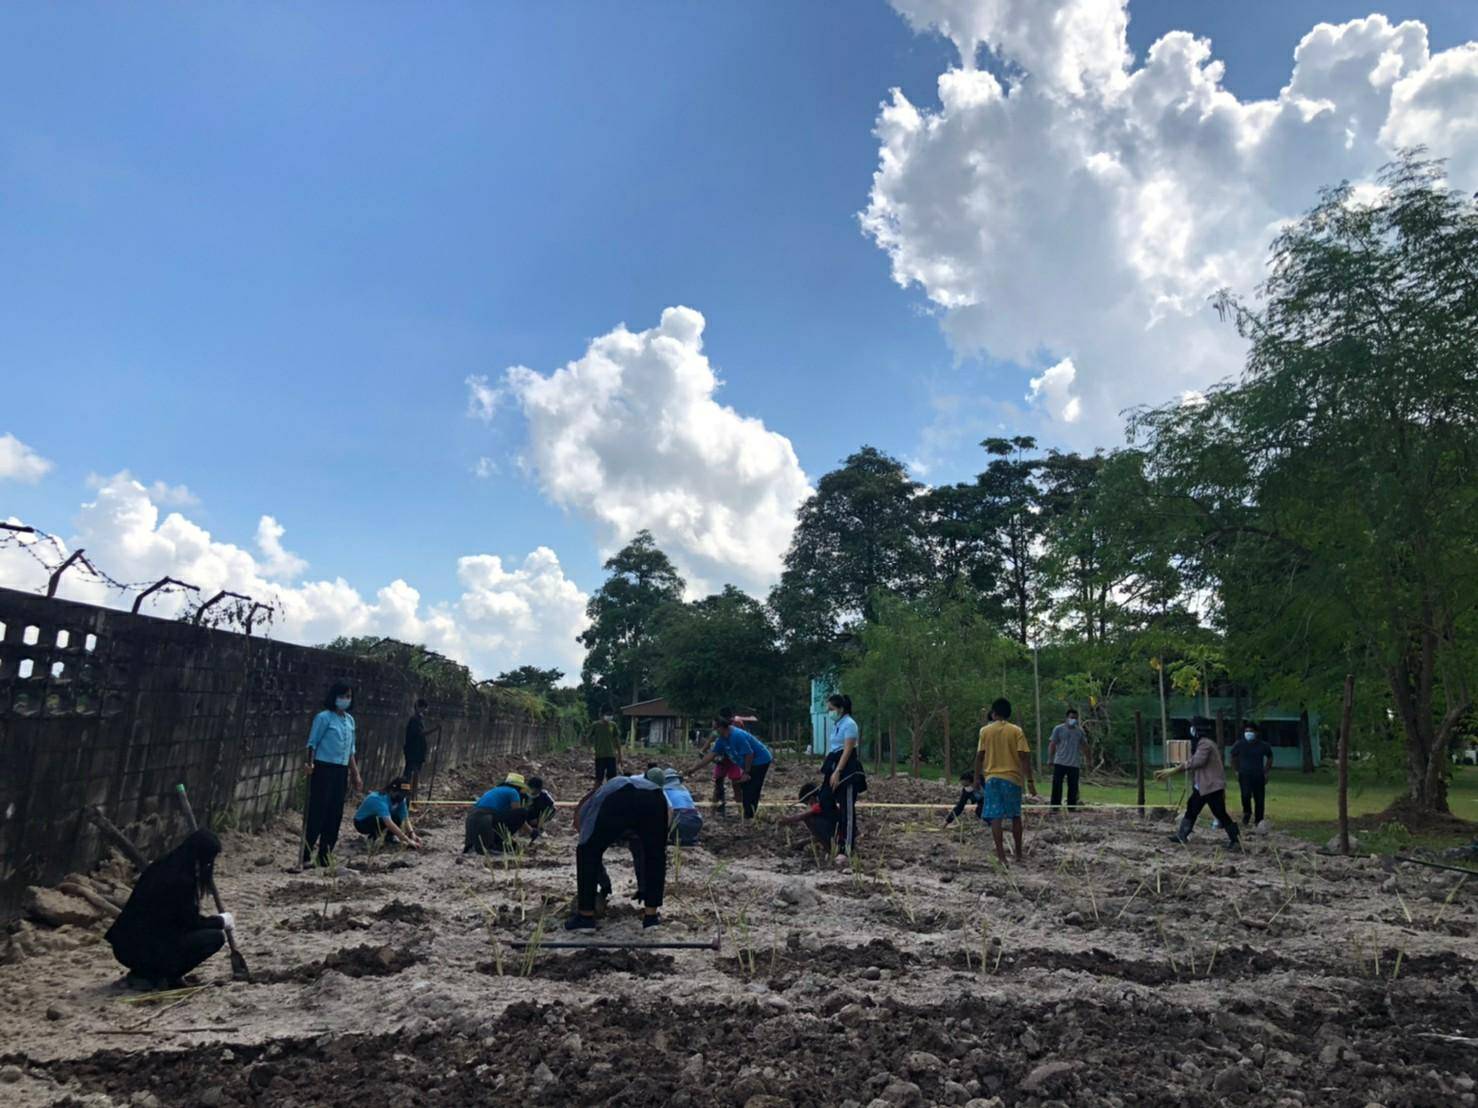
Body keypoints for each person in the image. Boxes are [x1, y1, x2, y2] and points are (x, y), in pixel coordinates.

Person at [105, 830, 234, 986]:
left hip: (124, 946)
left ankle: (143, 973)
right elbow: (189, 923)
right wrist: (221, 921)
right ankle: (163, 977)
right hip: (142, 950)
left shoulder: (162, 865)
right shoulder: (182, 881)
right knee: (214, 938)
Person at [566, 772, 670, 931]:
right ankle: (651, 918)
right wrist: (644, 888)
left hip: (618, 798)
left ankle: (585, 917)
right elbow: (644, 851)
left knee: (587, 852)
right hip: (654, 798)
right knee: (655, 855)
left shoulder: (589, 809)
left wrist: (603, 883)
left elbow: (588, 847)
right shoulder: (651, 790)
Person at [303, 680, 363, 867]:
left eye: (349, 696)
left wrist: (355, 774)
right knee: (318, 811)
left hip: (340, 771)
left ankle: (325, 854)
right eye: (343, 696)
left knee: (335, 813)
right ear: (334, 697)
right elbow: (312, 743)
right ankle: (305, 853)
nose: (346, 700)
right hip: (323, 768)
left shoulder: (350, 721)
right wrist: (310, 764)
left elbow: (350, 750)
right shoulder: (323, 718)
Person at [974, 698, 1039, 866]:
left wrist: (976, 778)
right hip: (1013, 779)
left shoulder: (985, 731)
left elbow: (980, 756)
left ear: (994, 713)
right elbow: (1024, 757)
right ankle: (1018, 854)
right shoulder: (1016, 731)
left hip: (992, 779)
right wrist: (1030, 780)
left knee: (996, 817)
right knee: (1016, 816)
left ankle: (1001, 857)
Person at [1157, 727, 1242, 851]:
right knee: (1192, 807)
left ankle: (1235, 840)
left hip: (1210, 786)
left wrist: (1177, 769)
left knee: (1219, 813)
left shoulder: (1205, 744)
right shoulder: (1206, 743)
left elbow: (1198, 761)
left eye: (1193, 727)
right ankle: (1182, 835)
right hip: (1203, 785)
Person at [820, 693, 867, 855]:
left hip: (846, 767)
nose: (829, 712)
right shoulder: (838, 724)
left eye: (831, 709)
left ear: (841, 708)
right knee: (824, 798)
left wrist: (838, 771)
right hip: (833, 762)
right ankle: (839, 831)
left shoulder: (850, 724)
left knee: (847, 807)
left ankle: (847, 847)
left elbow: (847, 750)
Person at [464, 773, 533, 854]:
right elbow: (517, 814)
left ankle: (494, 843)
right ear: (519, 787)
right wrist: (531, 831)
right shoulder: (513, 792)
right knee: (521, 813)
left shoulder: (495, 790)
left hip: (472, 819)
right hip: (485, 819)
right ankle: (496, 843)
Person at [353, 777, 422, 849]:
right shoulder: (379, 799)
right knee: (382, 820)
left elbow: (405, 818)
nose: (402, 797)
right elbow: (388, 823)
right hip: (361, 822)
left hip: (381, 819)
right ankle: (373, 838)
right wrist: (407, 840)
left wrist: (412, 834)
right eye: (400, 794)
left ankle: (388, 838)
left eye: (405, 795)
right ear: (392, 790)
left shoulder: (401, 800)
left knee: (397, 818)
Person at [1231, 723, 1275, 829]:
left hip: (1258, 775)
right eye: (1246, 731)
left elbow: (1270, 756)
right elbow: (1233, 756)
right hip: (1244, 774)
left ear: (1256, 733)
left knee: (1259, 798)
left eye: (1251, 731)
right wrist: (1236, 770)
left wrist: (1266, 771)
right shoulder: (1239, 744)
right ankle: (1247, 812)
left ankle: (1259, 820)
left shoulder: (1263, 745)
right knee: (1245, 795)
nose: (1248, 733)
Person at [777, 782, 839, 848]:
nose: (808, 807)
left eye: (807, 804)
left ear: (812, 799)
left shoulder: (821, 804)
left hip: (839, 838)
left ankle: (832, 849)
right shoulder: (827, 800)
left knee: (809, 818)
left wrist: (788, 819)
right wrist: (801, 843)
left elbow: (803, 816)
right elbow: (821, 835)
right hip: (840, 836)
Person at [1047, 708, 1086, 811]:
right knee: (1057, 786)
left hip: (1074, 764)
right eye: (1072, 718)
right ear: (1067, 718)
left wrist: (1089, 759)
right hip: (1060, 762)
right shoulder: (1058, 729)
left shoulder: (1080, 731)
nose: (1073, 720)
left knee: (1073, 787)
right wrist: (1050, 758)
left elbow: (1085, 746)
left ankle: (1072, 807)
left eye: (1075, 718)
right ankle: (1055, 807)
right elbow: (1052, 744)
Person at [659, 767, 703, 846]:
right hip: (696, 820)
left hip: (679, 820)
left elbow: (669, 810)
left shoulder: (663, 790)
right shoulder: (684, 789)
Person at [587, 710, 624, 784]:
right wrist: (590, 748)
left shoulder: (613, 725)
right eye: (607, 714)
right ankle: (597, 793)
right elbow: (587, 737)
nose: (609, 716)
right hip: (600, 755)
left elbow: (617, 740)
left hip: (611, 755)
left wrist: (620, 755)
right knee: (599, 778)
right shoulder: (595, 725)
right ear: (601, 715)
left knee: (612, 778)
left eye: (610, 714)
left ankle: (611, 793)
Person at [403, 699, 432, 787]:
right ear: (420, 707)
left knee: (415, 775)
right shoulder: (414, 720)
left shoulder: (419, 720)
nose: (426, 710)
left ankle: (412, 795)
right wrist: (434, 729)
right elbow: (420, 733)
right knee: (410, 775)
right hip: (413, 753)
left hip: (417, 753)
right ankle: (405, 794)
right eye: (424, 708)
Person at [526, 775, 556, 842]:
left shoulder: (544, 796)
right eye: (531, 788)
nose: (532, 791)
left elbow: (552, 809)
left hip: (538, 820)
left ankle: (539, 830)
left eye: (535, 790)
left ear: (539, 789)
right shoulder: (523, 794)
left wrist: (540, 820)